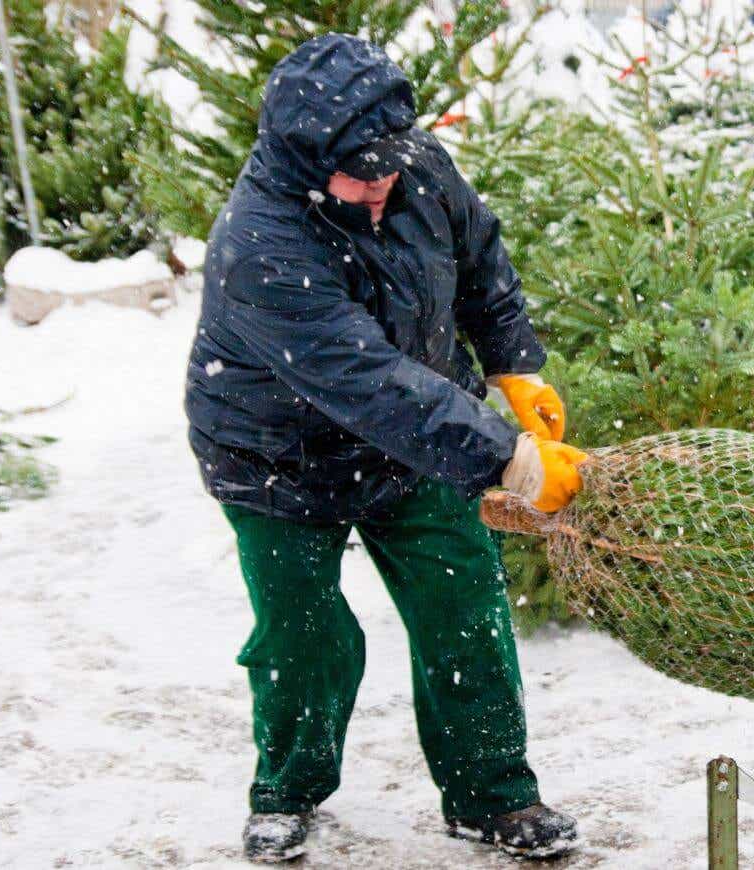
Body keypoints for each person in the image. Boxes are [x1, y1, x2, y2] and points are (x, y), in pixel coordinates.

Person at [184, 34, 586, 862]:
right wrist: (506, 456)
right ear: (304, 159)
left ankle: (492, 796)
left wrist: (514, 364)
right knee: (305, 637)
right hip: (276, 461)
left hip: (414, 448)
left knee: (463, 611)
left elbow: (479, 257)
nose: (381, 186)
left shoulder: (409, 163)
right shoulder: (260, 245)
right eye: (360, 172)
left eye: (389, 166)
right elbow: (366, 381)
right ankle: (287, 791)